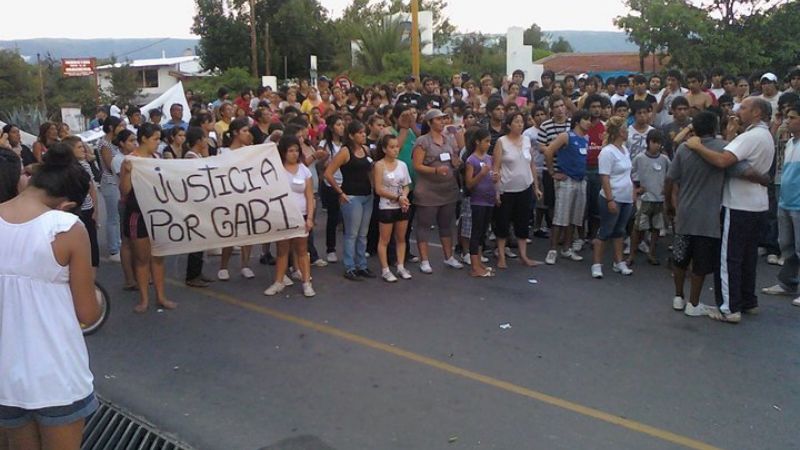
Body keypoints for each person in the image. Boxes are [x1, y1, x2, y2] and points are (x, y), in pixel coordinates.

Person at [0, 144, 100, 450]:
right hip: (57, 375)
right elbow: (88, 313)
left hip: (6, 377)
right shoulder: (65, 227)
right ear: (68, 202)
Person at [685, 97, 775, 323]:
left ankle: (729, 307)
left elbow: (724, 160)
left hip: (738, 204)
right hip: (758, 204)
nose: (738, 111)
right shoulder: (765, 136)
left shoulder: (751, 136)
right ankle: (747, 300)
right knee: (747, 257)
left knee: (729, 258)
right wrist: (731, 135)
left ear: (756, 113)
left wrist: (697, 146)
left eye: (744, 108)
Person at [665, 111, 728, 317]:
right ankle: (693, 303)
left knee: (680, 257)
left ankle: (677, 296)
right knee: (701, 262)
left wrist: (669, 204)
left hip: (685, 212)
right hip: (709, 216)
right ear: (714, 127)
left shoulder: (684, 149)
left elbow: (670, 178)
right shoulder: (723, 148)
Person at [120, 123, 177, 313]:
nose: (157, 143)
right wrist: (127, 173)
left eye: (159, 139)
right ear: (144, 139)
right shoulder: (130, 160)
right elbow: (124, 191)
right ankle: (144, 298)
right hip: (138, 214)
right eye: (155, 139)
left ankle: (161, 296)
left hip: (157, 214)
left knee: (158, 257)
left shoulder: (156, 158)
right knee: (142, 258)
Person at [264, 134, 317, 296]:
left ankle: (306, 283)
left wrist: (309, 218)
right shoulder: (277, 170)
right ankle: (279, 281)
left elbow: (309, 196)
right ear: (283, 152)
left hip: (300, 215)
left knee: (302, 250)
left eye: (296, 150)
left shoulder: (304, 170)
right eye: (290, 151)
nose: (294, 154)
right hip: (283, 216)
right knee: (282, 251)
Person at [412, 109, 463, 273]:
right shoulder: (423, 141)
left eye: (443, 119)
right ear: (429, 122)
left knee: (446, 224)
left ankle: (449, 257)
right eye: (439, 119)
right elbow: (417, 165)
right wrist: (435, 171)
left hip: (447, 188)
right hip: (428, 189)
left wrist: (456, 162)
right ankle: (424, 260)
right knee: (424, 225)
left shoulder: (448, 139)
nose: (442, 122)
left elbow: (454, 157)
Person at [324, 121, 375, 280]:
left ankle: (362, 265)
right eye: (360, 133)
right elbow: (328, 173)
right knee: (352, 233)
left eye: (364, 132)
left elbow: (370, 171)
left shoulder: (366, 150)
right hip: (351, 196)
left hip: (367, 195)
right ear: (351, 135)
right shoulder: (345, 152)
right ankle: (349, 266)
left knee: (362, 234)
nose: (363, 135)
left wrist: (374, 188)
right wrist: (340, 192)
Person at [761, 104, 800, 306]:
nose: (787, 121)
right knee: (787, 246)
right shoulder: (791, 143)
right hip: (786, 200)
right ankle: (788, 283)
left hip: (799, 204)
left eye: (792, 117)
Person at [493, 112, 541, 268]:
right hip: (507, 189)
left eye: (522, 122)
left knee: (522, 222)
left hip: (524, 188)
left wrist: (536, 186)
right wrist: (497, 191)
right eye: (516, 122)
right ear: (508, 125)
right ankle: (501, 255)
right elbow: (496, 167)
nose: (520, 124)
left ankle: (523, 255)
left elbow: (532, 164)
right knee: (503, 223)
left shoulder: (527, 140)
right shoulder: (502, 142)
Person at [544, 110, 591, 265]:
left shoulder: (586, 138)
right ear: (577, 121)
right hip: (567, 180)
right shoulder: (566, 136)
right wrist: (552, 172)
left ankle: (567, 248)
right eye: (586, 119)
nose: (589, 122)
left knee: (574, 217)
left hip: (580, 180)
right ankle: (552, 250)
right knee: (560, 216)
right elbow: (549, 150)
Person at [592, 116, 634, 278]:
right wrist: (610, 199)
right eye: (625, 129)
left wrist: (632, 193)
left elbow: (627, 174)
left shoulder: (625, 150)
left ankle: (619, 262)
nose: (627, 132)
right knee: (606, 230)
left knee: (619, 231)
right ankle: (597, 263)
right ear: (619, 132)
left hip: (626, 197)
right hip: (613, 196)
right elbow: (605, 177)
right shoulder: (607, 152)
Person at [216, 118, 256, 281]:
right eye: (244, 131)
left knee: (248, 232)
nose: (248, 134)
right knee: (230, 233)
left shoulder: (251, 151)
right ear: (235, 133)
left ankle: (245, 265)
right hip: (230, 198)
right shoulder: (223, 152)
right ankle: (223, 266)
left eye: (248, 131)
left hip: (248, 196)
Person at [372, 134, 413, 282]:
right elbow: (378, 189)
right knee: (385, 239)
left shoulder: (402, 164)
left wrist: (404, 196)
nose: (396, 150)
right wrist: (397, 197)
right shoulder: (379, 165)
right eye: (392, 147)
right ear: (384, 149)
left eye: (397, 147)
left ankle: (400, 266)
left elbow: (406, 185)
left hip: (401, 206)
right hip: (387, 206)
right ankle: (385, 269)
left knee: (401, 238)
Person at [628, 130, 669, 266]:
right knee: (638, 227)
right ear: (648, 142)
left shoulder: (664, 159)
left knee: (656, 228)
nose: (657, 145)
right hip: (645, 198)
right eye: (654, 142)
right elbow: (631, 174)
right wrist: (637, 189)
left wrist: (666, 190)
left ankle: (651, 253)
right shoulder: (639, 158)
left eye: (659, 143)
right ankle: (632, 254)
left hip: (659, 199)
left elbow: (670, 176)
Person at [464, 127, 497, 277]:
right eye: (486, 141)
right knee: (476, 232)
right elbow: (469, 183)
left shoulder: (489, 159)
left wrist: (495, 179)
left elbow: (491, 177)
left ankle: (479, 261)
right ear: (478, 142)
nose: (488, 144)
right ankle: (474, 265)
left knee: (483, 232)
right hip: (478, 201)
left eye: (490, 141)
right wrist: (481, 175)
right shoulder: (472, 160)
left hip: (489, 199)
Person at [181, 127, 212, 288]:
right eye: (204, 139)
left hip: (201, 201)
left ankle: (198, 272)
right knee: (196, 240)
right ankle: (192, 275)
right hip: (195, 203)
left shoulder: (198, 155)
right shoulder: (190, 157)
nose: (206, 142)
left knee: (201, 240)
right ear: (199, 141)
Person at [111, 129, 138, 290]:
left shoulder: (134, 157)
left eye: (135, 140)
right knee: (127, 241)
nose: (134, 144)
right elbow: (125, 184)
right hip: (126, 202)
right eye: (130, 141)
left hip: (137, 201)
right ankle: (129, 278)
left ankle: (137, 274)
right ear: (121, 143)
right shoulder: (118, 160)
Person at [317, 115, 346, 263]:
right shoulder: (325, 144)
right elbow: (319, 165)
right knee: (333, 217)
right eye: (338, 124)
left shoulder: (346, 143)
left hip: (346, 183)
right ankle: (330, 248)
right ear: (331, 127)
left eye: (342, 124)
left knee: (348, 217)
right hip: (331, 183)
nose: (341, 127)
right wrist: (324, 159)